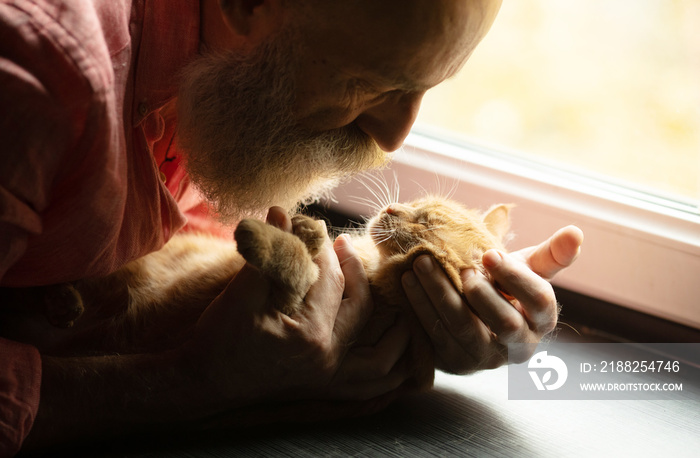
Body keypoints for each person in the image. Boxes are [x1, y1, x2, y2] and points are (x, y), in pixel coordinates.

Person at [0, 0, 583, 454]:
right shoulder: (40, 75)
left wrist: (457, 311)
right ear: (248, 2)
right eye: (376, 83)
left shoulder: (230, 83)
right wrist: (191, 383)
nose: (393, 140)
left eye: (426, 87)